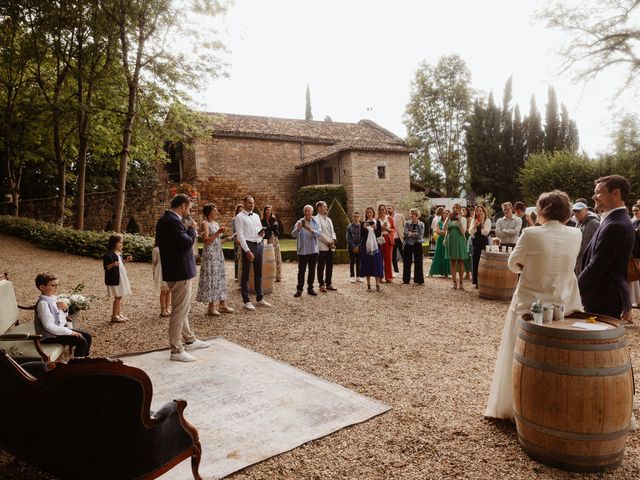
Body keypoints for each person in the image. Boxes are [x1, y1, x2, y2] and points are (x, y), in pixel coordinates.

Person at [485, 190, 583, 420]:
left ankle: (514, 405)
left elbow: (512, 263)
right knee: (559, 359)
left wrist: (528, 269)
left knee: (519, 354)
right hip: (564, 303)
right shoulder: (575, 234)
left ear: (543, 210)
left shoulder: (530, 233)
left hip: (529, 304)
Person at [156, 193, 210, 362]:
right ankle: (176, 350)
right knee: (179, 311)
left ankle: (190, 339)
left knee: (182, 308)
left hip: (173, 270)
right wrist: (192, 229)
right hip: (180, 272)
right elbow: (186, 243)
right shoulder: (172, 222)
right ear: (183, 206)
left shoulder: (164, 220)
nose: (189, 211)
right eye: (189, 208)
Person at [579, 175, 635, 320]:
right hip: (600, 296)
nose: (593, 197)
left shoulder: (616, 225)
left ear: (615, 193)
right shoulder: (614, 220)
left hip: (602, 299)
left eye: (598, 192)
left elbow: (596, 266)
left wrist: (572, 290)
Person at [34, 272, 92, 357]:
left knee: (88, 336)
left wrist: (65, 309)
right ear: (42, 287)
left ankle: (84, 361)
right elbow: (49, 326)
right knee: (81, 341)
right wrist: (70, 332)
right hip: (48, 336)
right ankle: (77, 367)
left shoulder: (52, 298)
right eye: (53, 285)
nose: (57, 288)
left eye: (57, 285)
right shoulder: (43, 304)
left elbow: (60, 317)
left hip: (57, 331)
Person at [234, 195, 272, 310]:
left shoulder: (256, 215)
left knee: (258, 273)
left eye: (253, 202)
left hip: (259, 244)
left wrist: (262, 234)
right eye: (249, 203)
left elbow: (259, 229)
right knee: (245, 274)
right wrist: (247, 250)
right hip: (248, 245)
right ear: (244, 203)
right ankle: (246, 301)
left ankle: (260, 298)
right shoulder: (239, 217)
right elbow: (240, 236)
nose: (252, 204)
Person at [196, 203, 233, 316]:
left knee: (220, 277)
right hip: (210, 256)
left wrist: (227, 239)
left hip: (218, 254)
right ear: (209, 212)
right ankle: (211, 307)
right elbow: (207, 241)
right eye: (214, 210)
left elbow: (217, 242)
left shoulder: (216, 223)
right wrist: (218, 232)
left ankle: (222, 304)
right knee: (212, 278)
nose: (216, 212)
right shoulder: (204, 223)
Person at [292, 205, 321, 297]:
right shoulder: (299, 222)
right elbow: (293, 234)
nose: (307, 212)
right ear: (304, 212)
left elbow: (319, 234)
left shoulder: (316, 222)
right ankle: (299, 289)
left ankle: (310, 288)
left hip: (313, 250)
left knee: (312, 270)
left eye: (309, 211)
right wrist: (298, 229)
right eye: (306, 211)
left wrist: (310, 229)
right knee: (301, 271)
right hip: (302, 251)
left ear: (312, 212)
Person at [103, 234, 132, 323]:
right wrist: (112, 265)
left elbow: (120, 263)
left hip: (121, 276)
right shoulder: (108, 255)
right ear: (113, 243)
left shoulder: (119, 253)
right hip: (115, 278)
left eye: (122, 243)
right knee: (118, 296)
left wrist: (125, 260)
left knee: (120, 296)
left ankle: (118, 313)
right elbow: (106, 267)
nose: (121, 245)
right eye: (119, 243)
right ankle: (114, 316)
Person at [444, 203, 469, 290]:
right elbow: (445, 229)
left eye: (456, 208)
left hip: (460, 240)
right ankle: (454, 282)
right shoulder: (450, 218)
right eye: (453, 208)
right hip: (450, 241)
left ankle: (461, 282)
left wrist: (459, 221)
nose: (454, 209)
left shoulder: (463, 219)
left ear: (459, 210)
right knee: (452, 261)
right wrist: (447, 219)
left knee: (460, 261)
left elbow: (463, 232)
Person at [314, 201, 337, 292]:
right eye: (324, 206)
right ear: (319, 208)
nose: (326, 208)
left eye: (326, 206)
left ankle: (329, 283)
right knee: (321, 266)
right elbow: (318, 233)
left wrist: (333, 240)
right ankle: (321, 284)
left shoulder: (329, 219)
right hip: (321, 245)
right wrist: (328, 241)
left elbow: (333, 232)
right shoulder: (315, 219)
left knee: (330, 265)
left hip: (330, 246)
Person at [359, 206, 384, 291]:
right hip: (366, 246)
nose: (369, 214)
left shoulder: (377, 222)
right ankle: (368, 284)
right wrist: (364, 228)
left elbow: (378, 234)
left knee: (376, 263)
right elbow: (361, 235)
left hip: (376, 246)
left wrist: (375, 228)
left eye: (370, 212)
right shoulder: (363, 223)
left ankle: (377, 284)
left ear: (373, 213)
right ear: (366, 214)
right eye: (367, 212)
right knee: (367, 264)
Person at [572, 201, 600, 276]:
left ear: (586, 210)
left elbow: (598, 242)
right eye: (574, 211)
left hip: (587, 261)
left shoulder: (594, 222)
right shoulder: (578, 222)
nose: (576, 213)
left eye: (578, 211)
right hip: (578, 260)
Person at [469, 205, 492, 288]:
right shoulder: (473, 220)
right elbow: (470, 232)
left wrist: (482, 224)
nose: (479, 212)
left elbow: (486, 233)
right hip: (475, 242)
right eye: (477, 211)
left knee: (482, 262)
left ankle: (483, 281)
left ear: (483, 212)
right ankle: (475, 282)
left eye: (480, 211)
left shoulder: (487, 220)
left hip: (483, 242)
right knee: (475, 262)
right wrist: (475, 225)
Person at [402, 208, 425, 285]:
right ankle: (406, 279)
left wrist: (410, 234)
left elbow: (420, 235)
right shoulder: (407, 223)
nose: (411, 215)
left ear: (417, 215)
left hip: (418, 244)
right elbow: (405, 233)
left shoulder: (421, 224)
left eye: (413, 214)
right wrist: (412, 234)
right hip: (408, 244)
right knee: (407, 262)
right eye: (410, 214)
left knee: (418, 262)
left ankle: (419, 280)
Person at [262, 205, 284, 282]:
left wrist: (266, 228)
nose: (268, 211)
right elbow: (261, 229)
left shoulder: (273, 219)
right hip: (266, 240)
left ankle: (278, 276)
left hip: (274, 239)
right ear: (264, 211)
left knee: (277, 257)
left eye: (270, 210)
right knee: (269, 258)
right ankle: (269, 276)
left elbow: (275, 226)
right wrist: (265, 229)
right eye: (267, 210)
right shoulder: (262, 220)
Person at [428, 210, 450, 278]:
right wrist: (444, 232)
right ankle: (432, 272)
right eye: (444, 213)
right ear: (442, 215)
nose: (445, 215)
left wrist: (443, 231)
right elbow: (437, 231)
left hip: (447, 240)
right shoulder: (439, 222)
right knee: (437, 255)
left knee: (446, 255)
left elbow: (448, 232)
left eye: (447, 214)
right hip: (440, 240)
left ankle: (445, 272)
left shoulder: (449, 222)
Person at [377, 204, 395, 283]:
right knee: (379, 259)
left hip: (388, 238)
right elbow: (374, 230)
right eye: (381, 209)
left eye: (383, 209)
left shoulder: (390, 218)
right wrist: (381, 229)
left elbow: (394, 229)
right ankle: (380, 277)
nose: (382, 211)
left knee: (388, 258)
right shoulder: (376, 219)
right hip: (379, 239)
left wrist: (388, 229)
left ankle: (389, 277)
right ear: (378, 210)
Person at [152, 243, 171, 317]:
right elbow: (154, 262)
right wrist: (154, 272)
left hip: (169, 269)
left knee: (169, 291)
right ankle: (162, 309)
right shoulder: (156, 249)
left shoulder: (170, 246)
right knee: (163, 291)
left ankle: (167, 308)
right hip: (161, 270)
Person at [388, 204, 405, 278]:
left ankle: (407, 271)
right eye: (387, 208)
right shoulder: (386, 218)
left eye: (390, 208)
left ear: (393, 209)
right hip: (391, 239)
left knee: (404, 255)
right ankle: (396, 271)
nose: (388, 209)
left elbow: (405, 225)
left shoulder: (400, 216)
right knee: (393, 256)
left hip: (400, 238)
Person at [346, 211, 363, 283]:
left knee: (359, 261)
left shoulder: (362, 227)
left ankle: (359, 276)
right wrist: (353, 247)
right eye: (354, 216)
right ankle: (352, 276)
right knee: (352, 261)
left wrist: (358, 246)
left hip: (360, 247)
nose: (356, 218)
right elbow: (348, 238)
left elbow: (362, 238)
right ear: (352, 217)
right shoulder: (349, 226)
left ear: (359, 217)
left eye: (357, 216)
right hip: (351, 247)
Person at [231, 203, 243, 281]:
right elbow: (234, 231)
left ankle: (242, 274)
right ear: (237, 211)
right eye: (239, 210)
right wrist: (236, 240)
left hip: (243, 240)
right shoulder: (234, 219)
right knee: (237, 258)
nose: (240, 211)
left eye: (242, 210)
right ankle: (237, 275)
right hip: (237, 240)